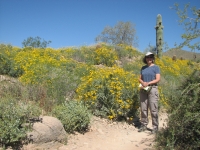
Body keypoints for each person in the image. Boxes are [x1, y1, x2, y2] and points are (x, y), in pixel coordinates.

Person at [138, 52, 160, 134]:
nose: (149, 58)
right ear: (145, 58)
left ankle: (155, 127)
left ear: (153, 58)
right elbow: (139, 78)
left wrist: (149, 83)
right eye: (147, 57)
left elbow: (158, 79)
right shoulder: (143, 68)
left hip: (152, 88)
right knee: (143, 107)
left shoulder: (156, 68)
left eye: (150, 57)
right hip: (143, 88)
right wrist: (143, 82)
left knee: (153, 108)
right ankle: (144, 125)